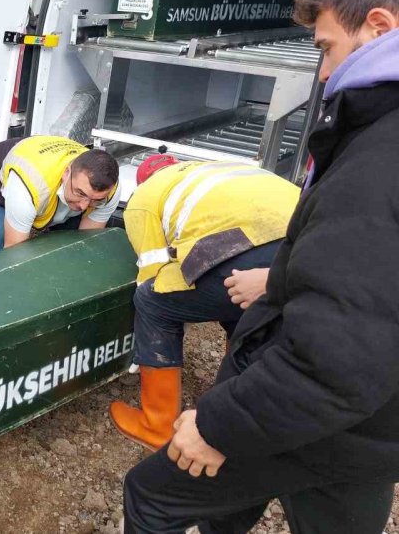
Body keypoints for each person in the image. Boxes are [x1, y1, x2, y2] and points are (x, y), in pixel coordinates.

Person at [122, 0, 399, 531]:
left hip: (330, 414)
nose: (322, 72)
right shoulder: (225, 167)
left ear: (379, 26)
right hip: (378, 428)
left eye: (324, 48)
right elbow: (359, 269)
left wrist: (221, 421)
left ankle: (157, 414)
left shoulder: (379, 155)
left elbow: (157, 274)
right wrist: (275, 280)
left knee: (155, 302)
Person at [108, 156, 298, 450]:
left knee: (152, 301)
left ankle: (155, 425)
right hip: (305, 246)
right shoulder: (215, 169)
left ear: (143, 181)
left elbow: (152, 271)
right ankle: (242, 412)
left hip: (246, 246)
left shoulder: (144, 198)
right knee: (240, 310)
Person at [0, 135, 120, 257]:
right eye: (80, 193)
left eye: (96, 200)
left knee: (71, 239)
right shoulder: (26, 188)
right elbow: (13, 254)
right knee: (0, 235)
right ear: (66, 173)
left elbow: (86, 242)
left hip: (43, 159)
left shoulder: (111, 191)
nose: (83, 206)